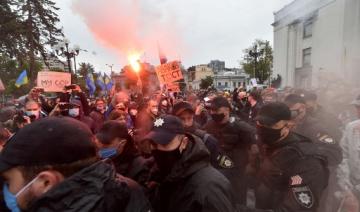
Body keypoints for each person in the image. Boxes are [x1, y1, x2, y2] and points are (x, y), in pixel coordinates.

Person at [0, 117, 152, 212]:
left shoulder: (131, 191)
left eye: (8, 180)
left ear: (46, 182)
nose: (4, 190)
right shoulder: (114, 188)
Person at [144, 115, 237, 212]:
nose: (157, 149)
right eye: (153, 144)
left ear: (184, 142)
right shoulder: (160, 175)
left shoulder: (209, 188)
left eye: (164, 143)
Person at [253, 102, 331, 212]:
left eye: (271, 125)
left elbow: (297, 208)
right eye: (260, 123)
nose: (263, 128)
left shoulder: (305, 160)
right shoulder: (269, 144)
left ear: (288, 125)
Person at [203, 96, 256, 205]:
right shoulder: (209, 125)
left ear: (227, 110)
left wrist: (251, 166)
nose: (213, 113)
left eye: (217, 110)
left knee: (238, 203)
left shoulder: (241, 126)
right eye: (212, 110)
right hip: (217, 172)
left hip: (237, 173)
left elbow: (254, 147)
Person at [96, 121, 151, 187]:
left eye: (106, 145)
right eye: (100, 144)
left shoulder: (139, 166)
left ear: (122, 143)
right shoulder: (99, 160)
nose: (101, 149)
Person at [172, 101, 220, 167]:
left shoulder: (207, 140)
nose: (186, 123)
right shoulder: (168, 139)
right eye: (181, 119)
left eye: (189, 118)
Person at [337, 95, 360, 212]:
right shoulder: (351, 127)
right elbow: (343, 156)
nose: (358, 110)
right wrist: (347, 188)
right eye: (357, 107)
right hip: (352, 189)